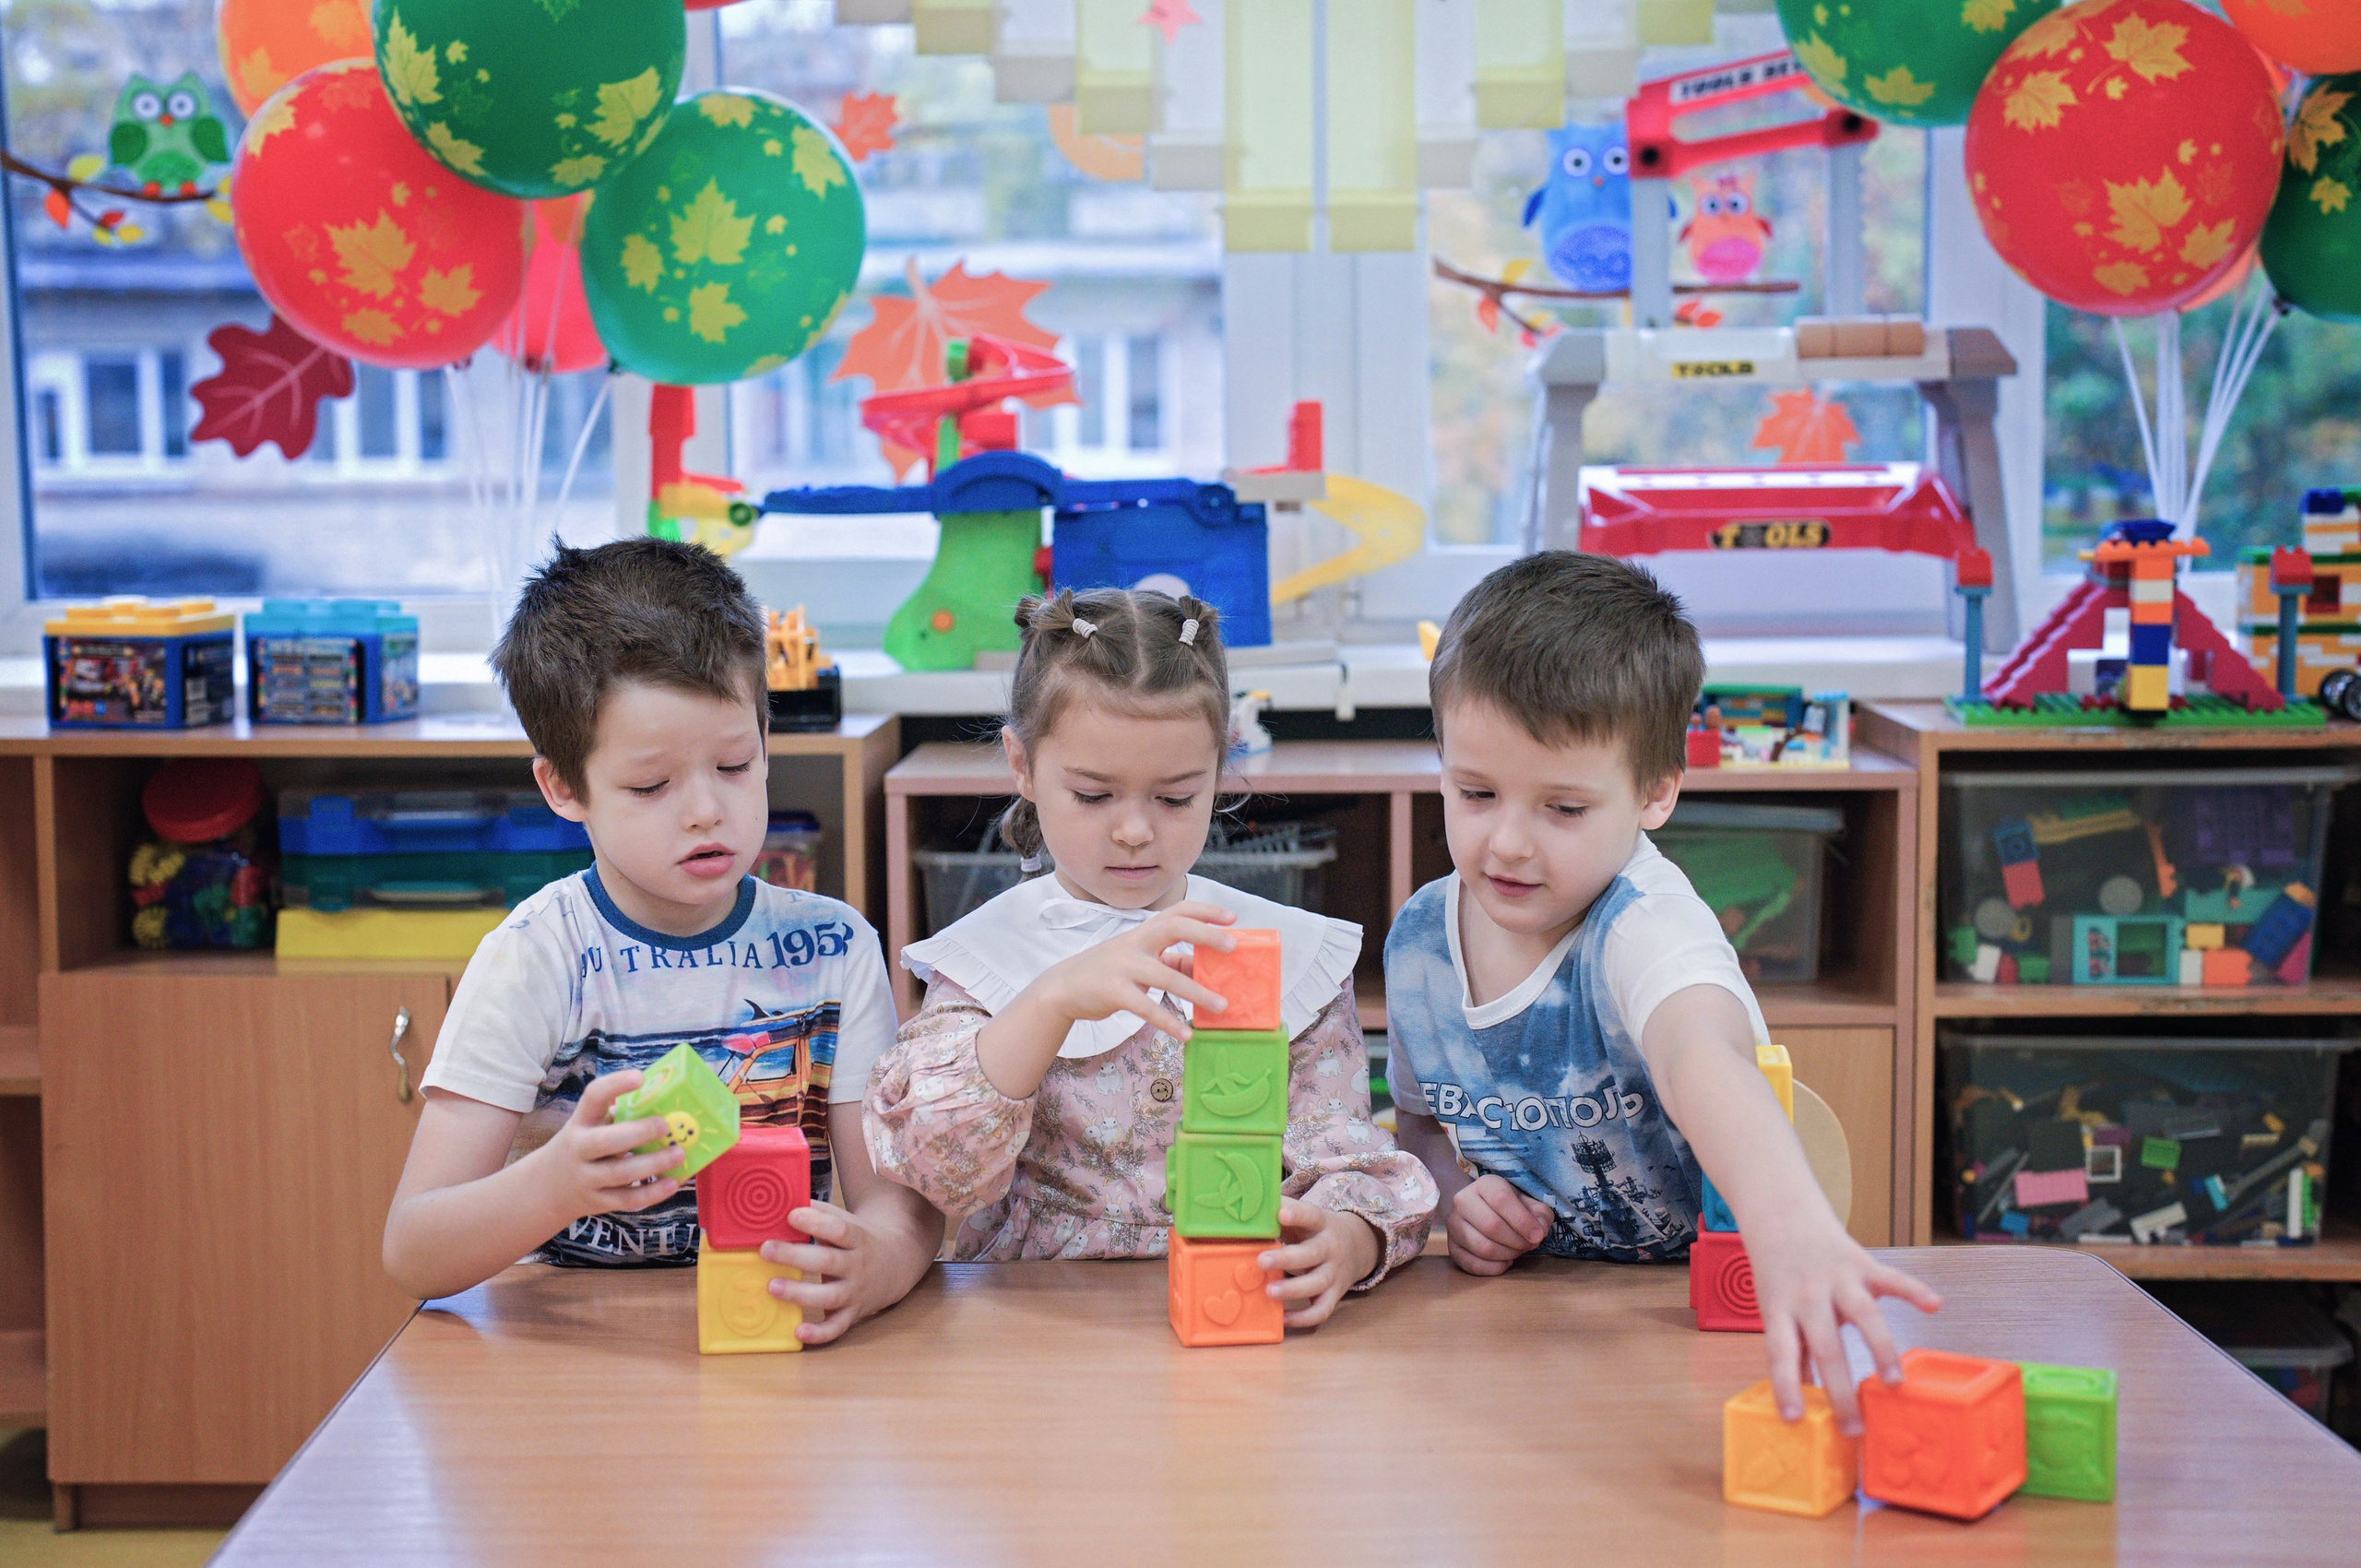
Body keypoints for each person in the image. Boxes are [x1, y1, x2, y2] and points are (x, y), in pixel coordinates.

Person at [1385, 552, 1939, 1432]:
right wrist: (1462, 1199)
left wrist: (1791, 1226)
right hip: (1533, 1343)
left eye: (1564, 809)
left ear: (1655, 793)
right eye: (1476, 792)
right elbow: (1419, 1127)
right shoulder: (1420, 945)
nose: (1510, 845)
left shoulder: (1644, 924)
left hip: (1697, 1327)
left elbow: (1698, 1054)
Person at [383, 538, 942, 1345]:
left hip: (771, 1329)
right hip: (581, 1345)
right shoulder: (539, 957)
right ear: (564, 787)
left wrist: (883, 1259)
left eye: (736, 764)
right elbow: (414, 1250)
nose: (707, 811)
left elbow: (894, 1199)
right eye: (651, 786)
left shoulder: (833, 947)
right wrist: (558, 1180)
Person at [866, 588, 1435, 1325]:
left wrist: (1347, 1237)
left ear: (1221, 766)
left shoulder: (1281, 953)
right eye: (1094, 795)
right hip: (1038, 1322)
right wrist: (1051, 1000)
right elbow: (939, 1168)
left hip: (1238, 1308)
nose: (1135, 830)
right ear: (1023, 765)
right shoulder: (988, 956)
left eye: (1174, 798)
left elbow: (1343, 1151)